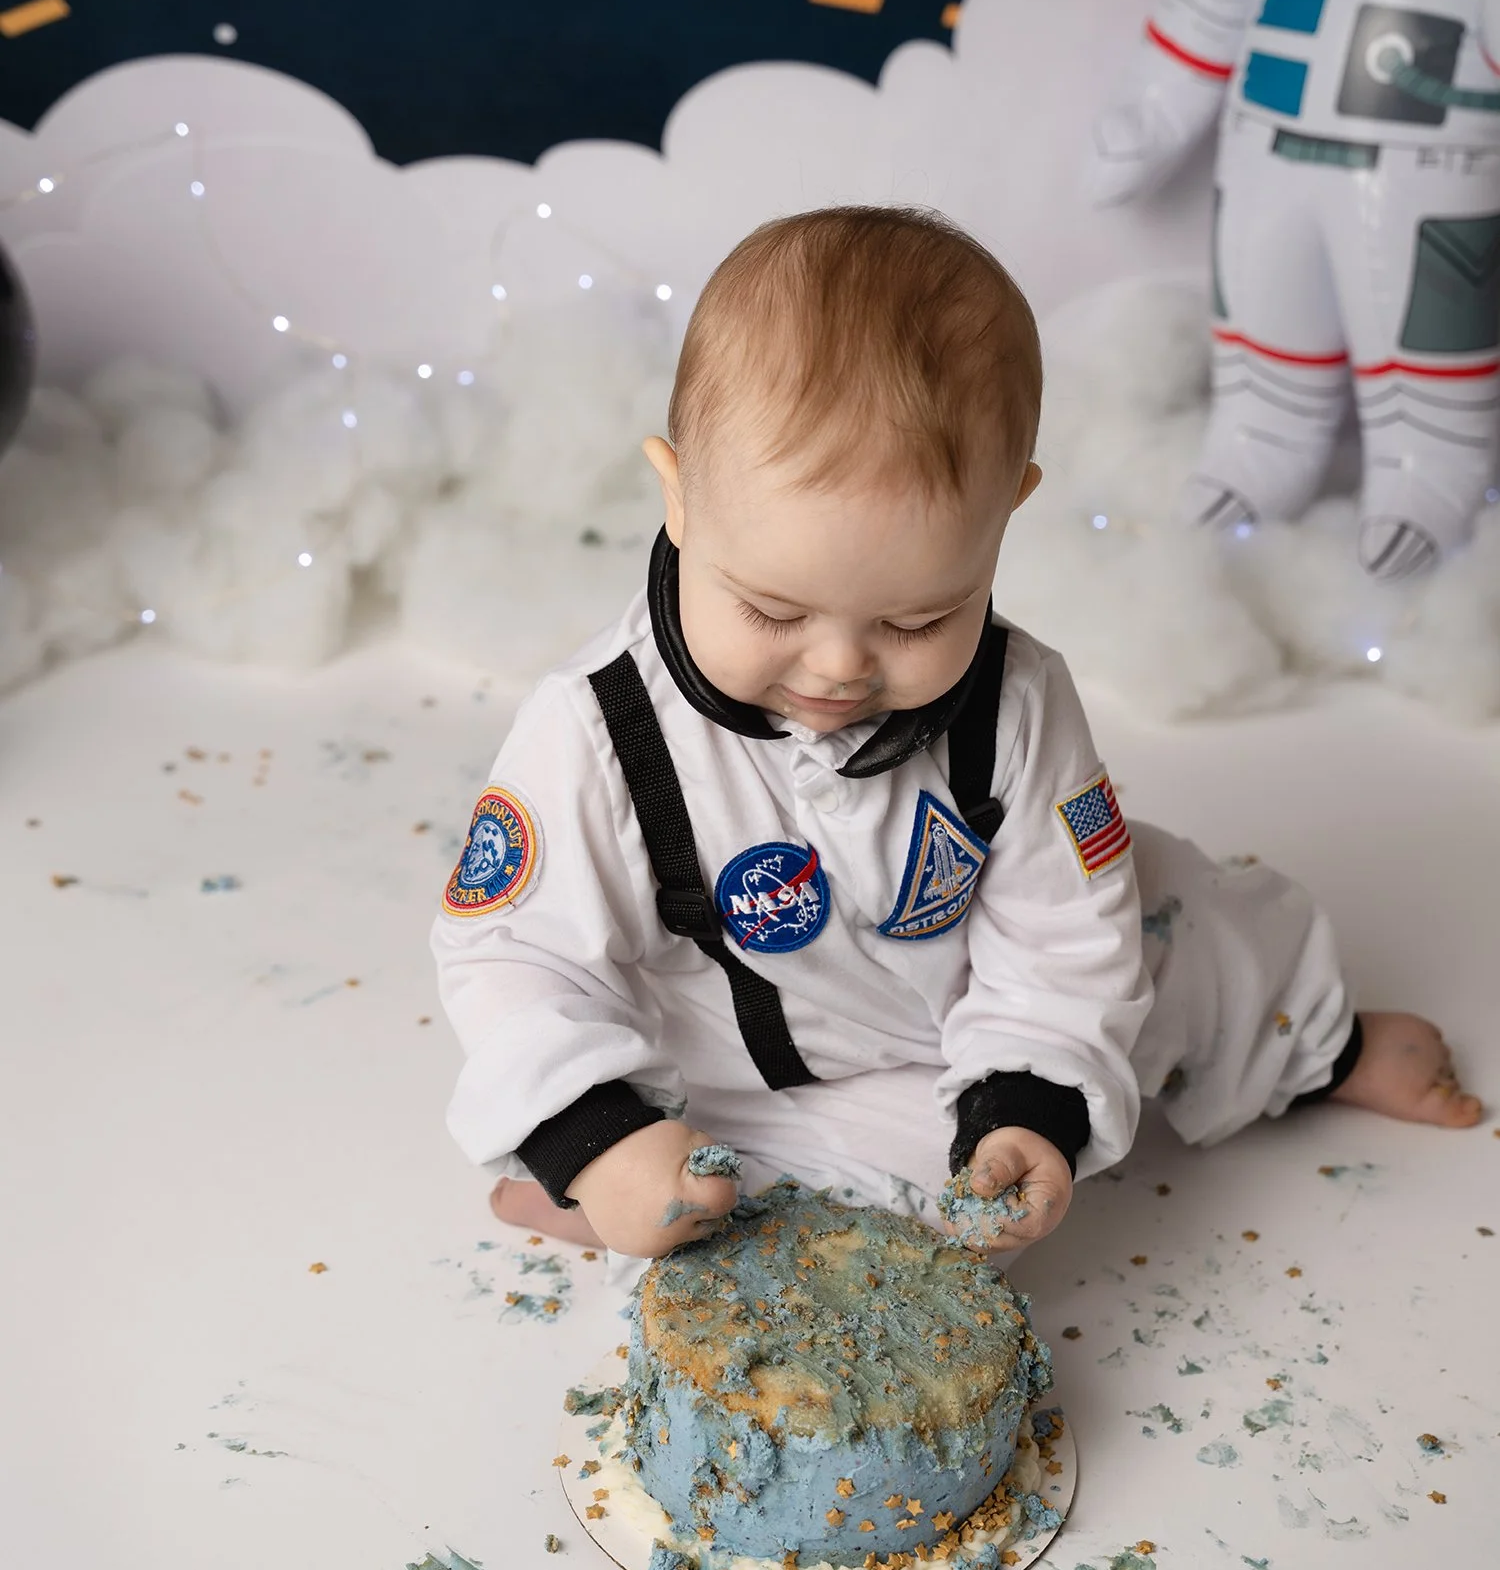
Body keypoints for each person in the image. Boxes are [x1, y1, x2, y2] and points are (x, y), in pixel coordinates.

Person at [431, 206, 1481, 1266]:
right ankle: (599, 1183)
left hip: (952, 1021)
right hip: (723, 1059)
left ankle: (1313, 1045)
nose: (840, 666)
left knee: (1173, 913)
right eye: (774, 612)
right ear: (680, 501)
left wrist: (1024, 1106)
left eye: (918, 619)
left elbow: (1064, 933)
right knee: (800, 1201)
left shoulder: (1015, 702)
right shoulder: (601, 728)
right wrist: (601, 1137)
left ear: (1006, 515)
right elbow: (512, 953)